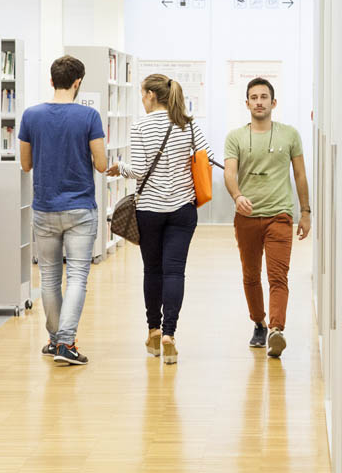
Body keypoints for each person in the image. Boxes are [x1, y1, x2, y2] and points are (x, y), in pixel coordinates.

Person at [107, 74, 212, 365]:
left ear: (152, 95)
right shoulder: (187, 123)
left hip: (150, 210)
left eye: (142, 95)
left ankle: (153, 330)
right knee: (174, 272)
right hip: (182, 209)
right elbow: (206, 157)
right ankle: (169, 334)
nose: (141, 100)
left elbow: (139, 169)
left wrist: (120, 168)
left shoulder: (140, 125)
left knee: (152, 270)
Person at [19, 55, 107, 366]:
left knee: (49, 277)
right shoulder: (89, 117)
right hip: (80, 207)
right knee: (78, 276)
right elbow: (101, 164)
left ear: (52, 80)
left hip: (44, 207)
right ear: (78, 82)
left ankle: (56, 340)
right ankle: (66, 342)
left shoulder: (31, 116)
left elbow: (26, 164)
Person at [224, 77, 311, 358]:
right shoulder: (235, 137)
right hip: (247, 217)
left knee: (278, 276)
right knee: (250, 276)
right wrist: (238, 196)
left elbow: (299, 175)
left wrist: (306, 211)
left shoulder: (290, 135)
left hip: (280, 214)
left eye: (264, 97)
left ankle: (276, 330)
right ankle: (259, 323)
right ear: (247, 103)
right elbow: (229, 173)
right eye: (254, 97)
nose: (259, 101)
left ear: (273, 103)